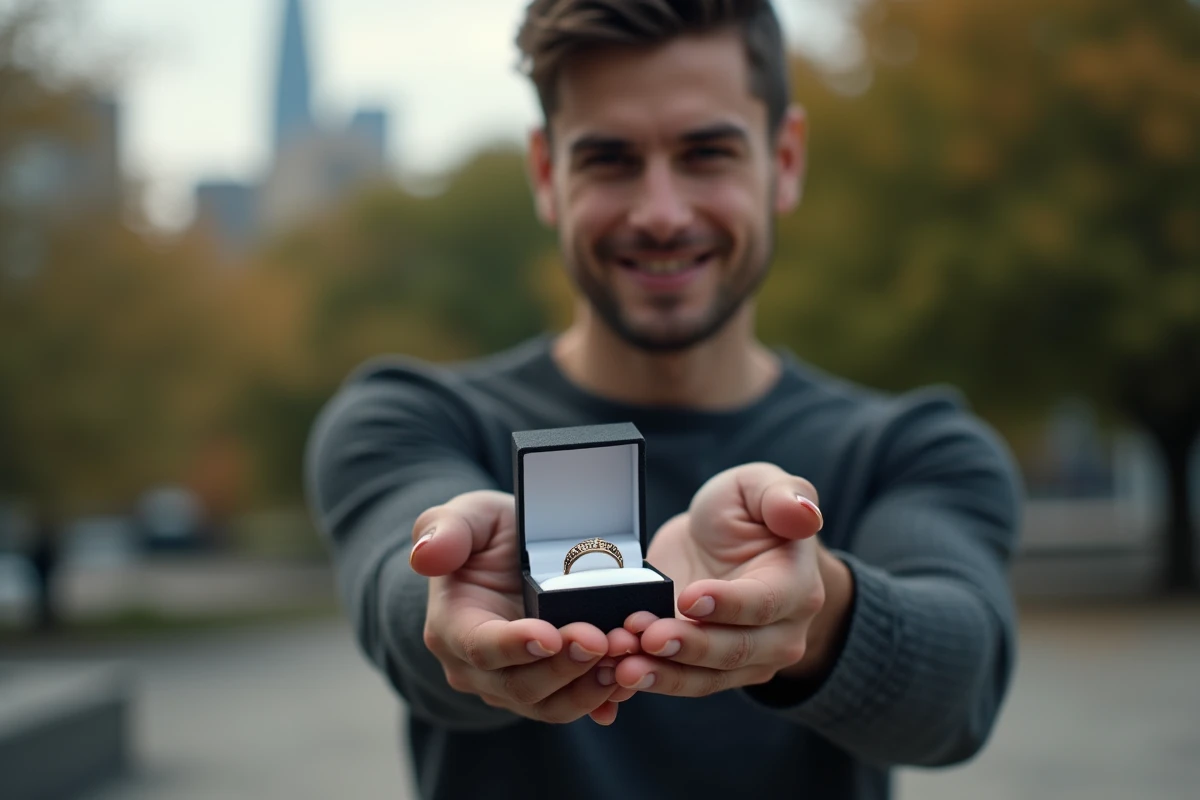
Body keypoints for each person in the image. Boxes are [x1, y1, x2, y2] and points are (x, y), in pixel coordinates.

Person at [305, 1, 1021, 798]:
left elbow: (960, 690)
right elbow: (404, 604)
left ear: (784, 161)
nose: (661, 213)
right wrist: (481, 596)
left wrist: (812, 609)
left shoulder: (915, 447)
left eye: (706, 153)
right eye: (610, 160)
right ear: (547, 175)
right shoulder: (404, 418)